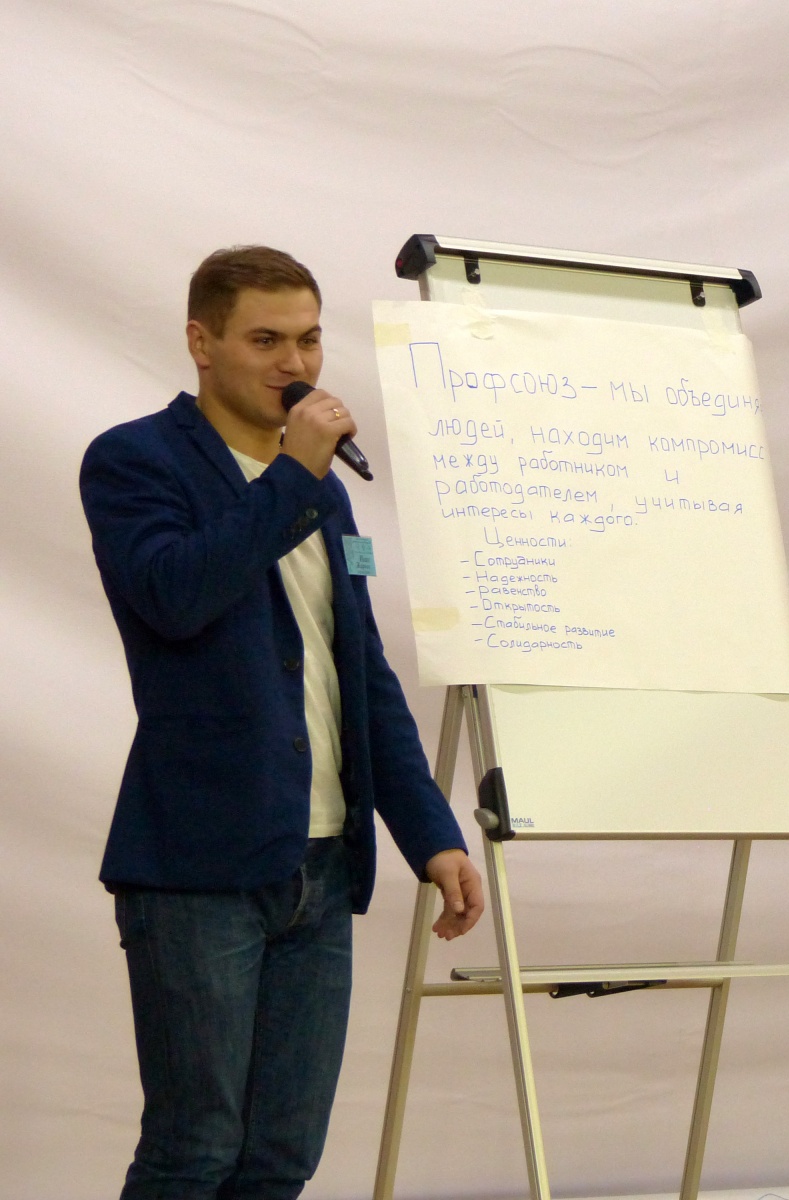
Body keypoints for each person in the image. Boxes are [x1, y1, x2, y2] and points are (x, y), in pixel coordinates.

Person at [79, 245, 485, 1200]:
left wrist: (430, 834)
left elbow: (362, 675)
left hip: (322, 865)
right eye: (265, 340)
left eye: (308, 340)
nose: (294, 365)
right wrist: (295, 477)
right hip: (199, 867)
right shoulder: (136, 460)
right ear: (201, 342)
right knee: (195, 1150)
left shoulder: (325, 491)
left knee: (281, 1158)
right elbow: (176, 597)